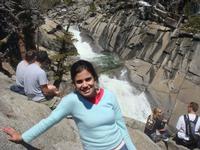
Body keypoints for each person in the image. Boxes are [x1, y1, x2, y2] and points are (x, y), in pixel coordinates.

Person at [2, 60, 136, 150]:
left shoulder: (109, 96)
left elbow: (121, 126)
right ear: (74, 84)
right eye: (79, 81)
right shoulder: (72, 101)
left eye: (88, 79)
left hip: (121, 146)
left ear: (94, 78)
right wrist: (23, 137)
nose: (85, 85)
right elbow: (49, 121)